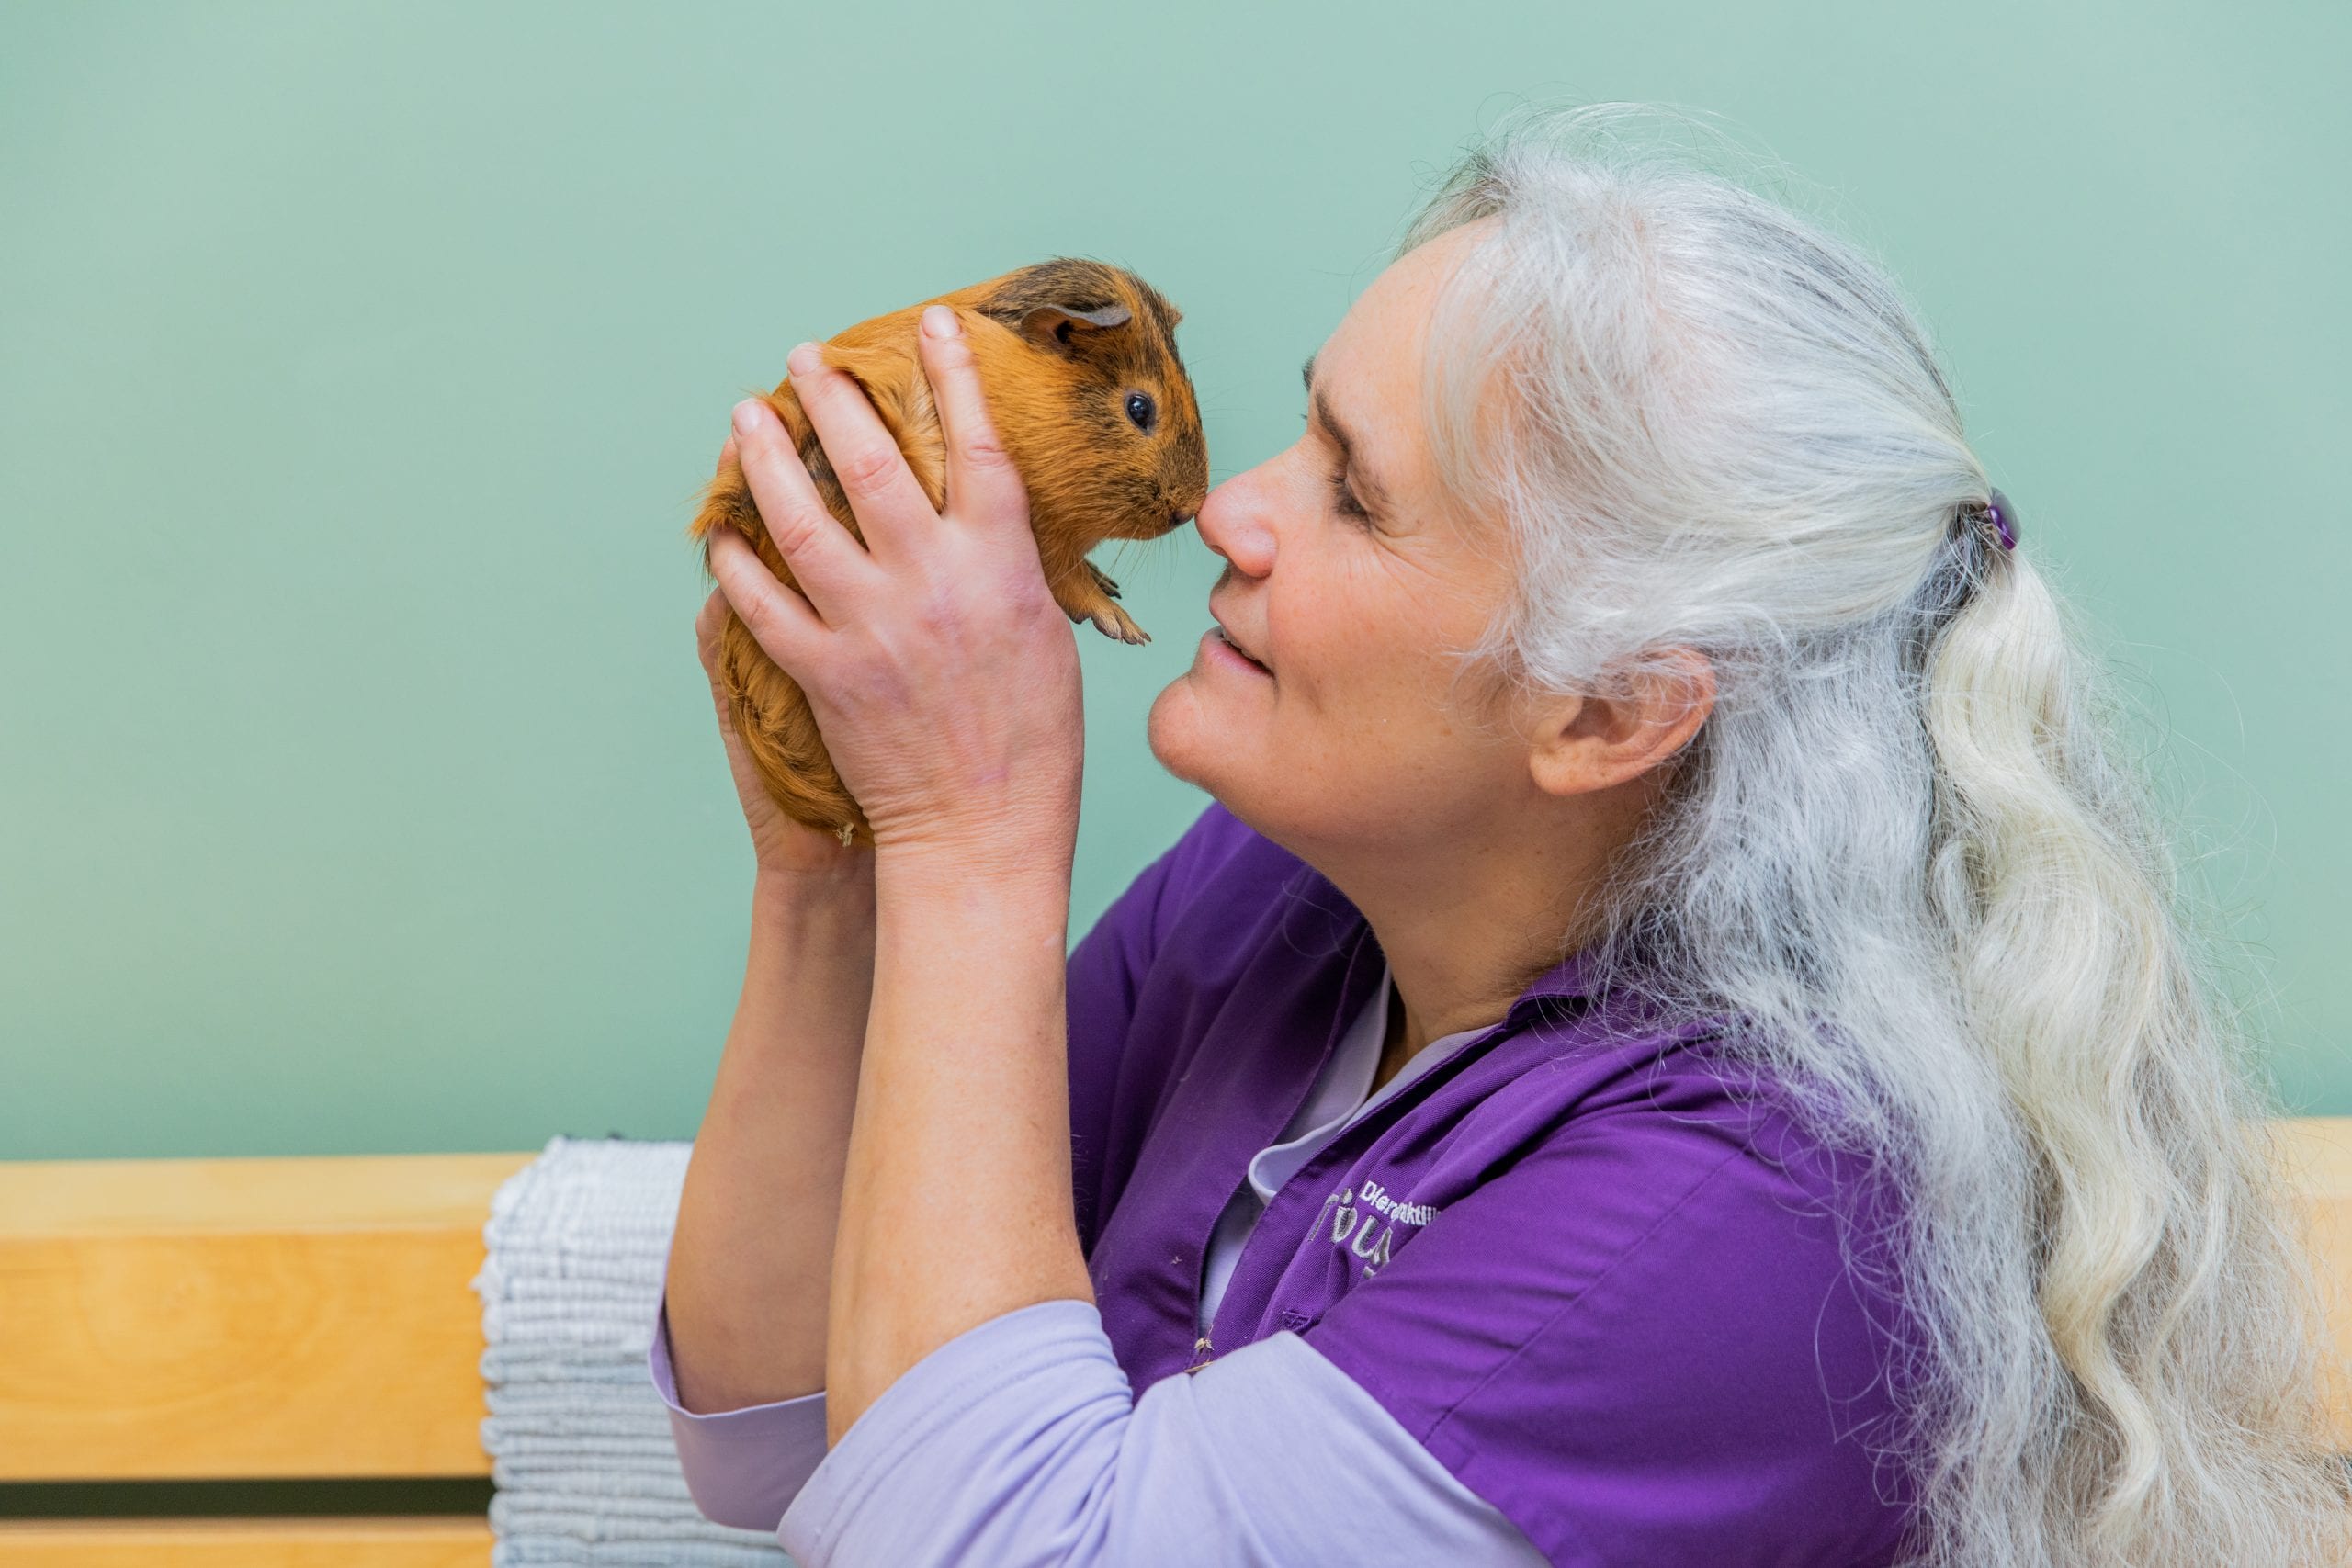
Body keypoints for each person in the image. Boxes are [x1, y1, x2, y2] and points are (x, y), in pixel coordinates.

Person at [651, 104, 2352, 1567]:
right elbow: (777, 1429)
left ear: (1609, 710)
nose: (1231, 509)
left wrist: (973, 829)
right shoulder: (1282, 909)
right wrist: (838, 865)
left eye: (1351, 488)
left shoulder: (1751, 1222)